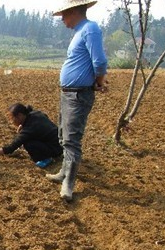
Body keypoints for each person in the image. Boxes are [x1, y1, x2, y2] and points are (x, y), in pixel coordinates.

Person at [49, 0, 108, 202]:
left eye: (64, 16)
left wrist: (99, 81)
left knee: (72, 140)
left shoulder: (90, 29)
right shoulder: (79, 32)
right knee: (62, 135)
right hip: (68, 93)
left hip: (79, 94)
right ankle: (63, 173)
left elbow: (99, 62)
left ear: (73, 11)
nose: (63, 20)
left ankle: (69, 184)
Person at [0, 103, 63, 168]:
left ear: (19, 116)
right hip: (60, 141)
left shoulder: (29, 130)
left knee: (28, 144)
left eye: (12, 118)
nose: (11, 121)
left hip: (55, 149)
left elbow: (10, 148)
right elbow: (45, 116)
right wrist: (21, 125)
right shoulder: (35, 113)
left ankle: (46, 158)